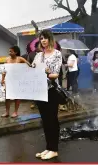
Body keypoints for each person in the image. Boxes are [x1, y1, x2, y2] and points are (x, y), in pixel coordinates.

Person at [32, 30, 62, 160]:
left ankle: (54, 149)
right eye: (41, 38)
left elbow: (56, 74)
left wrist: (47, 71)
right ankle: (48, 147)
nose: (43, 40)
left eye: (45, 38)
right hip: (39, 90)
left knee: (52, 120)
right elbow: (32, 70)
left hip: (51, 90)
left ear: (50, 39)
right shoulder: (38, 56)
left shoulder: (57, 54)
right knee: (45, 120)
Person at [1, 46, 30, 118]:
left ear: (16, 52)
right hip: (9, 80)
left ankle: (15, 112)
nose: (9, 53)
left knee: (17, 97)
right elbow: (4, 71)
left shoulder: (20, 59)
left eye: (11, 51)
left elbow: (29, 65)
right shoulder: (7, 59)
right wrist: (2, 79)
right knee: (7, 97)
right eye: (9, 51)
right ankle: (7, 112)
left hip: (18, 81)